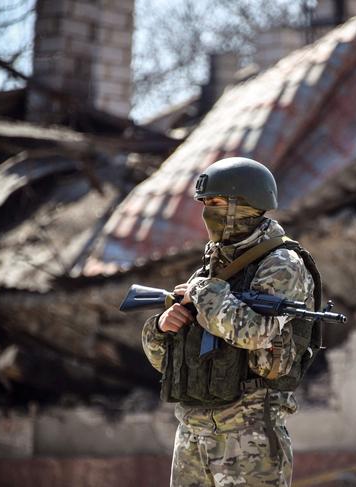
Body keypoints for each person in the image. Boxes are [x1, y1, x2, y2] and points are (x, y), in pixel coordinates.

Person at [140, 157, 321, 487]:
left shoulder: (281, 264)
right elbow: (168, 362)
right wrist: (162, 328)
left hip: (248, 434)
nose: (208, 212)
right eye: (206, 203)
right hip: (193, 430)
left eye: (218, 203)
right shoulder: (210, 271)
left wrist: (203, 295)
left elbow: (254, 333)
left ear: (248, 205)